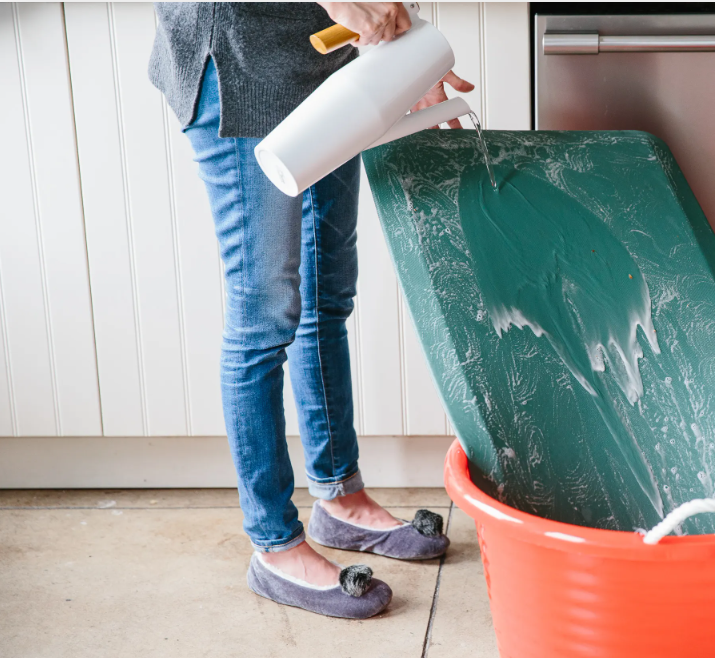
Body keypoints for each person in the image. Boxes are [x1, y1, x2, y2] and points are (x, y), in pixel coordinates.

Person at [149, 2, 473, 619]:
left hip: (328, 63)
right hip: (239, 67)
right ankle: (274, 546)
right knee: (263, 316)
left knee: (326, 294)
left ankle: (340, 498)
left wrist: (405, 57)